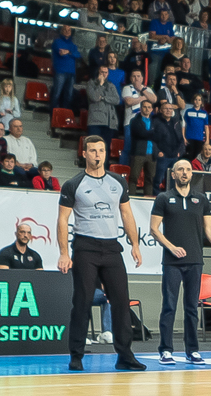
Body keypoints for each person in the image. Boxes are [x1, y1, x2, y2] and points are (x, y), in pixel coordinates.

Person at [58, 136, 146, 372]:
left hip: (111, 248)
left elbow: (127, 214)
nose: (97, 155)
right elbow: (63, 219)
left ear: (106, 154)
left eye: (101, 151)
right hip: (85, 247)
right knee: (82, 301)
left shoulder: (118, 182)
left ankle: (125, 355)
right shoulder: (73, 184)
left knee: (121, 301)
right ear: (84, 153)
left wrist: (135, 244)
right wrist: (64, 253)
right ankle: (76, 355)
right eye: (93, 151)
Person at [150, 159, 211, 365]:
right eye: (180, 169)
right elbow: (153, 229)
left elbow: (210, 229)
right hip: (172, 262)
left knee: (191, 308)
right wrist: (171, 247)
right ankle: (166, 350)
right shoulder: (163, 198)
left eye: (188, 169)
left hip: (195, 261)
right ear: (173, 174)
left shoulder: (201, 199)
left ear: (191, 174)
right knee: (169, 307)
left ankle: (192, 351)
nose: (184, 172)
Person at [126, 98, 161, 194]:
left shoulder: (156, 122)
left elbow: (160, 135)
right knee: (134, 177)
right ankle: (131, 198)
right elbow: (141, 133)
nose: (147, 109)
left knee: (150, 179)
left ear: (152, 109)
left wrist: (150, 134)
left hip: (152, 154)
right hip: (138, 153)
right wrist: (153, 133)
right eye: (145, 107)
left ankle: (148, 199)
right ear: (141, 108)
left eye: (149, 107)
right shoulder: (134, 121)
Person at [84, 65, 120, 150]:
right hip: (95, 122)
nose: (104, 74)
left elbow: (117, 100)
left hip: (109, 122)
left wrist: (103, 98)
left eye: (106, 72)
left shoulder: (111, 85)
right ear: (98, 73)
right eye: (102, 72)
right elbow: (95, 97)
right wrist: (100, 85)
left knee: (105, 149)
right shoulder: (91, 83)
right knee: (93, 147)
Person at [50, 26, 81, 111]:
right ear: (61, 31)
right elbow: (61, 53)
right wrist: (71, 53)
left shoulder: (73, 45)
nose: (67, 31)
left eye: (69, 30)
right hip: (60, 72)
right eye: (65, 30)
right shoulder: (57, 42)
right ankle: (53, 114)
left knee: (69, 95)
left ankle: (65, 114)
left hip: (71, 73)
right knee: (57, 93)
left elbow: (78, 55)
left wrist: (68, 52)